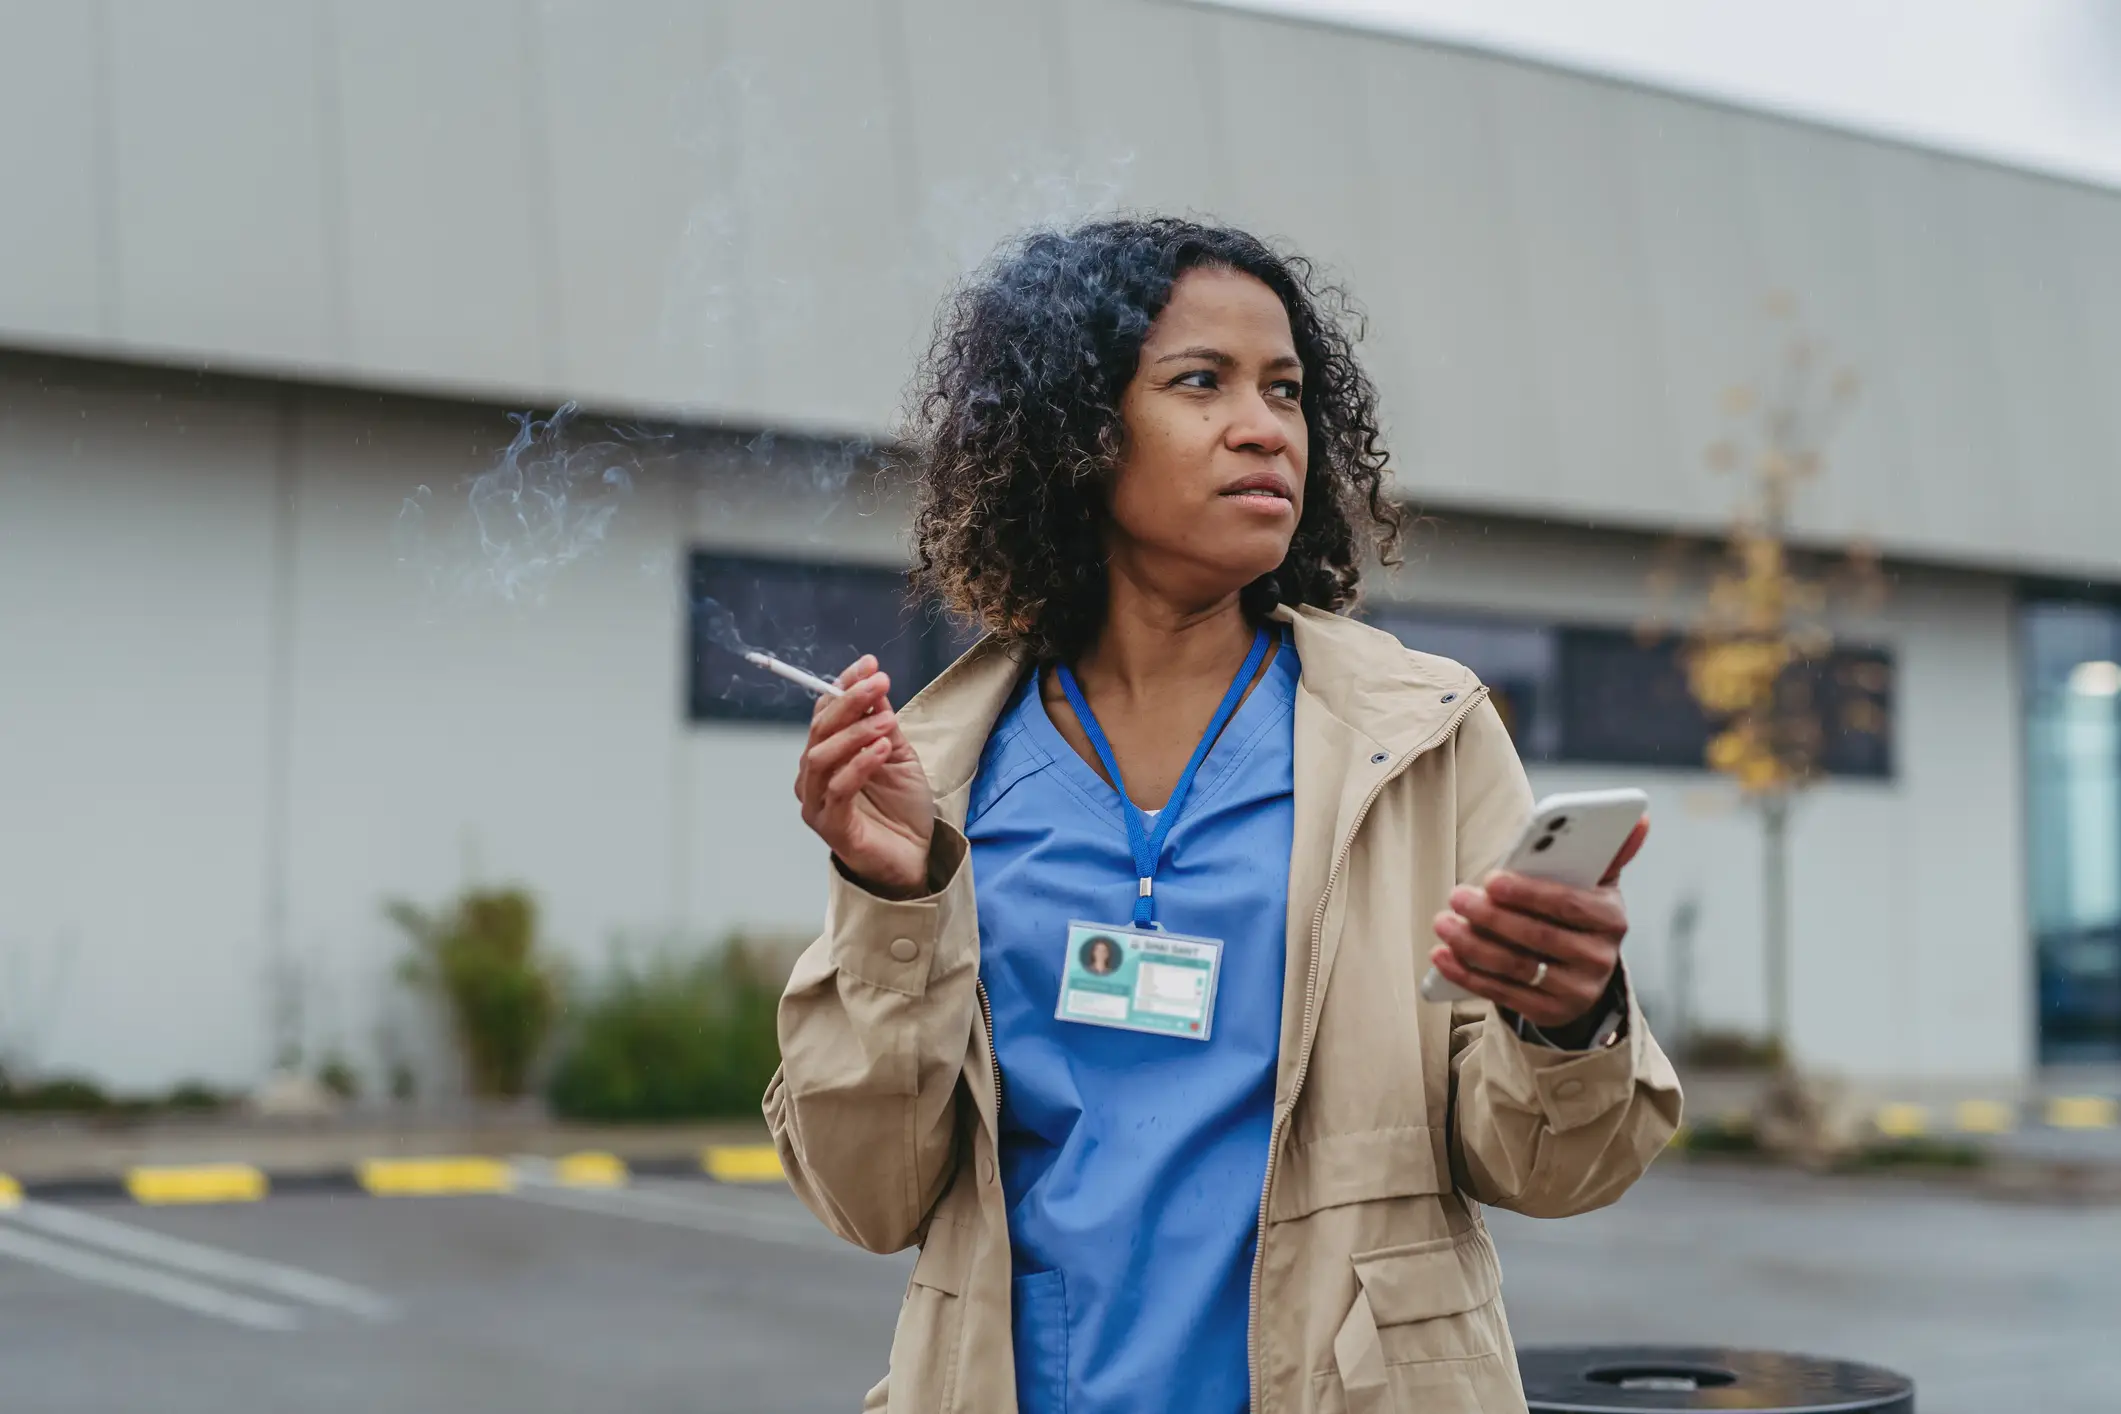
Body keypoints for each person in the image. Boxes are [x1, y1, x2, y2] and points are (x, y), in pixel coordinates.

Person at [765, 218, 1682, 1414]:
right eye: (1202, 382)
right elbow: (866, 1196)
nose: (1266, 426)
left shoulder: (1423, 736)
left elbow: (1554, 1168)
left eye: (1288, 390)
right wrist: (894, 901)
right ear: (1077, 436)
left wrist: (1565, 1023)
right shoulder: (937, 772)